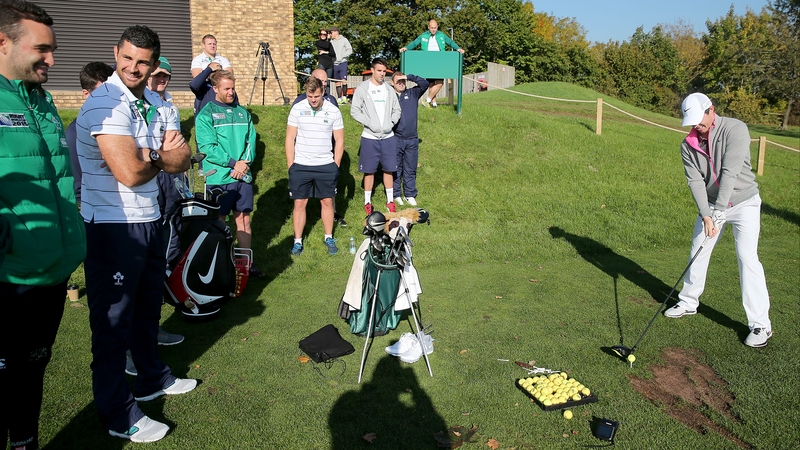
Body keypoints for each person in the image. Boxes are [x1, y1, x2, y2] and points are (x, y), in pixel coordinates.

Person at [76, 25, 196, 443]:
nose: (133, 67)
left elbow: (182, 159)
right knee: (112, 325)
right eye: (126, 58)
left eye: (142, 61)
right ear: (116, 54)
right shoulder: (105, 104)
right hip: (113, 227)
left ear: (154, 63)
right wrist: (160, 156)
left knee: (147, 308)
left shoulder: (147, 101)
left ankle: (151, 378)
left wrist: (155, 156)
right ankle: (117, 412)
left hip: (149, 219)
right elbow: (129, 172)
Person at [0, 2, 86, 449]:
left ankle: (25, 442)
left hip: (51, 268)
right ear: (3, 42)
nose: (52, 60)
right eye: (43, 49)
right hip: (9, 275)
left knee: (33, 366)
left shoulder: (42, 99)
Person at [664, 93, 773, 348]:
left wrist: (719, 211)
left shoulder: (736, 129)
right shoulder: (687, 145)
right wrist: (707, 214)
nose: (696, 126)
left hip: (744, 203)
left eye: (699, 120)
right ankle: (689, 302)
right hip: (712, 206)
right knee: (698, 249)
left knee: (747, 257)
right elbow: (694, 181)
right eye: (691, 122)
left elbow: (730, 172)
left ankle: (761, 325)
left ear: (711, 110)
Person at [195, 70, 264, 277]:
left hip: (242, 176)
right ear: (215, 89)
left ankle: (246, 265)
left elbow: (250, 142)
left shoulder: (243, 113)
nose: (231, 92)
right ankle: (220, 265)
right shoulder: (205, 115)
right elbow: (208, 147)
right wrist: (234, 164)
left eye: (233, 88)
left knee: (243, 220)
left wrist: (243, 165)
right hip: (218, 177)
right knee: (219, 222)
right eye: (227, 88)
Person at [285, 76, 345, 256]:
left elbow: (340, 141)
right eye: (310, 96)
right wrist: (291, 165)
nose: (313, 100)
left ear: (323, 93)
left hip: (326, 165)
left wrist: (335, 165)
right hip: (301, 165)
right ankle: (297, 241)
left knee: (327, 201)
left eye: (316, 97)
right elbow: (289, 138)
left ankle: (328, 237)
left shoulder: (333, 110)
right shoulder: (297, 108)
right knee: (300, 203)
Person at [293, 68, 348, 228]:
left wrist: (335, 163)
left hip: (327, 155)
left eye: (325, 82)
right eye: (320, 81)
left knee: (328, 197)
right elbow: (294, 134)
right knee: (301, 199)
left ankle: (332, 220)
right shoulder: (299, 103)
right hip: (305, 157)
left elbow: (338, 135)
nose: (324, 84)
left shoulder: (332, 102)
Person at [350, 57, 401, 215]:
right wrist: (370, 123)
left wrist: (390, 123)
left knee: (389, 169)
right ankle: (367, 202)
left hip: (388, 137)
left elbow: (397, 110)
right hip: (369, 137)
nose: (382, 74)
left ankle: (390, 201)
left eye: (384, 71)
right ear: (372, 70)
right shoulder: (363, 88)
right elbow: (354, 111)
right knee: (369, 171)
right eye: (379, 70)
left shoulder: (389, 89)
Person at [65, 62, 114, 204]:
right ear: (86, 94)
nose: (110, 100)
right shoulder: (75, 132)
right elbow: (78, 187)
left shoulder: (122, 123)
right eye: (103, 94)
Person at [399, 19, 464, 108]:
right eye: (432, 28)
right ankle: (434, 104)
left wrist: (458, 48)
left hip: (440, 61)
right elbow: (414, 43)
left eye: (435, 28)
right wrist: (406, 48)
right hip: (428, 62)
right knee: (431, 84)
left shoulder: (442, 35)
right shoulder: (423, 36)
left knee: (440, 83)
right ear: (428, 27)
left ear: (437, 27)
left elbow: (450, 42)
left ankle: (427, 100)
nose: (433, 29)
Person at [390, 71, 429, 207]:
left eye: (403, 81)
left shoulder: (412, 93)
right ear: (392, 83)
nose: (401, 84)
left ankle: (410, 194)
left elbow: (425, 84)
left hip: (412, 139)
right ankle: (396, 194)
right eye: (398, 81)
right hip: (396, 138)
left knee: (410, 168)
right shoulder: (390, 95)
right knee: (396, 168)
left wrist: (409, 77)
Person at [329, 26, 352, 104]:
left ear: (336, 32)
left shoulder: (344, 40)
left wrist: (342, 55)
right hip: (334, 64)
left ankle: (344, 97)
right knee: (337, 81)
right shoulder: (331, 42)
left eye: (331, 32)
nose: (330, 34)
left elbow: (350, 50)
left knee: (343, 80)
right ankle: (339, 98)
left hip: (343, 62)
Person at [315, 28, 335, 92]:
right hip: (322, 63)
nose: (323, 35)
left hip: (329, 64)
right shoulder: (318, 42)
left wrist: (324, 52)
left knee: (327, 82)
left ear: (327, 35)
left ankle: (328, 97)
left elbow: (333, 54)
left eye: (324, 34)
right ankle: (320, 95)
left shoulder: (329, 43)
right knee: (320, 81)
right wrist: (328, 40)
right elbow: (326, 46)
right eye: (321, 34)